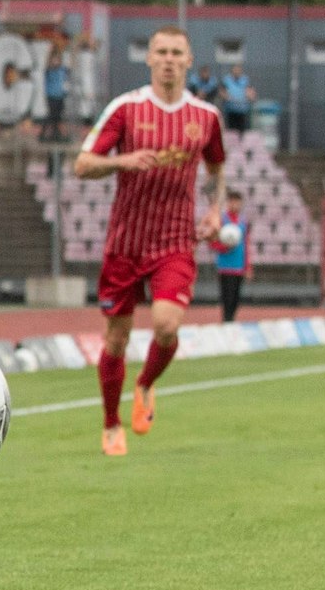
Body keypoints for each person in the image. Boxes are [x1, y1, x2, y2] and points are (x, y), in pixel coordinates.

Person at [74, 26, 225, 457]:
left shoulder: (206, 117)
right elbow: (82, 165)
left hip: (175, 243)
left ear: (189, 60)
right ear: (150, 59)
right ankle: (109, 423)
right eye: (161, 52)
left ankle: (145, 384)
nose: (169, 59)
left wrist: (214, 211)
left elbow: (216, 170)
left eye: (178, 52)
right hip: (125, 243)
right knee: (116, 339)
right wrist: (123, 160)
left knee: (166, 325)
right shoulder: (126, 109)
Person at [213, 189, 250, 323]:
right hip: (225, 266)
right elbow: (213, 243)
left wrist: (247, 267)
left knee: (236, 298)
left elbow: (246, 245)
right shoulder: (222, 220)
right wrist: (224, 247)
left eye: (238, 202)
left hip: (239, 266)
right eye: (232, 202)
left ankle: (231, 321)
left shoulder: (243, 222)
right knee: (227, 298)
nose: (235, 205)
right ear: (229, 203)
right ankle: (226, 321)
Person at [41, 49, 69, 142]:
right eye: (54, 59)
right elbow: (46, 64)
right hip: (52, 96)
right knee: (51, 116)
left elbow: (72, 66)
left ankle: (56, 135)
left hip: (60, 96)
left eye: (57, 59)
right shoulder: (49, 70)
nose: (56, 61)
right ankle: (43, 134)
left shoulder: (62, 70)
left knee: (58, 117)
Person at [220, 64, 255, 135]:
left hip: (242, 110)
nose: (237, 72)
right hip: (230, 109)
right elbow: (222, 91)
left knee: (242, 130)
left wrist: (250, 96)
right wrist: (226, 97)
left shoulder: (245, 80)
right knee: (231, 130)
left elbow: (250, 91)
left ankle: (241, 145)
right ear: (232, 71)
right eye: (235, 70)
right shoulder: (226, 80)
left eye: (238, 70)